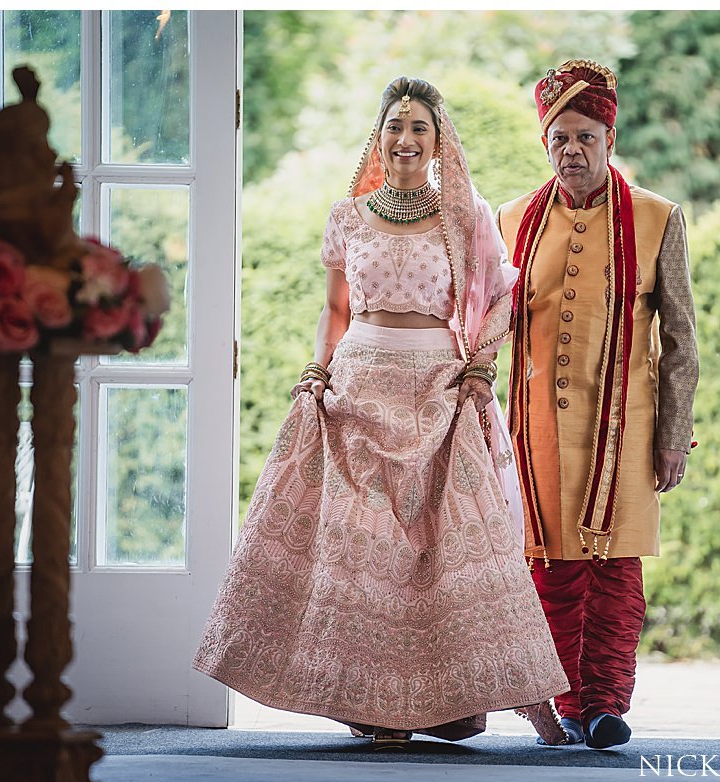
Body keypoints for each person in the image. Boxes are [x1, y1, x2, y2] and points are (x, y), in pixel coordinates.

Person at [194, 77, 569, 746]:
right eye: (396, 125)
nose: (406, 138)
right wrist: (318, 370)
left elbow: (501, 299)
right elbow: (336, 309)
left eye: (420, 127)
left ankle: (489, 697)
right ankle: (374, 706)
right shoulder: (348, 215)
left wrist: (480, 366)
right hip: (357, 390)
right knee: (364, 555)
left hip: (438, 390)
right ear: (380, 135)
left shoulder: (466, 215)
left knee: (452, 548)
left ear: (437, 140)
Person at [497, 60, 699, 749]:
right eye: (560, 140)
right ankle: (566, 703)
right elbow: (486, 326)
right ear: (545, 145)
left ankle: (606, 703)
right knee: (551, 568)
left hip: (628, 428)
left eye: (585, 136)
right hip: (541, 430)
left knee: (616, 568)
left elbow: (681, 338)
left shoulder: (656, 217)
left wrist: (673, 433)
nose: (572, 151)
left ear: (609, 138)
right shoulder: (512, 219)